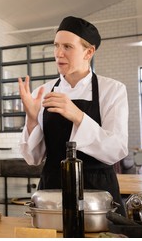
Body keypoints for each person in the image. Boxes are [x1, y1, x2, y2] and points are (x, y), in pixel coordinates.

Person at [18, 16, 128, 216]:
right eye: (56, 45)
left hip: (97, 193)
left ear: (89, 52)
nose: (59, 53)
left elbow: (117, 150)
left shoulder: (112, 90)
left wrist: (78, 116)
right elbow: (32, 158)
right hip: (52, 193)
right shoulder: (42, 91)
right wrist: (32, 119)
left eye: (68, 46)